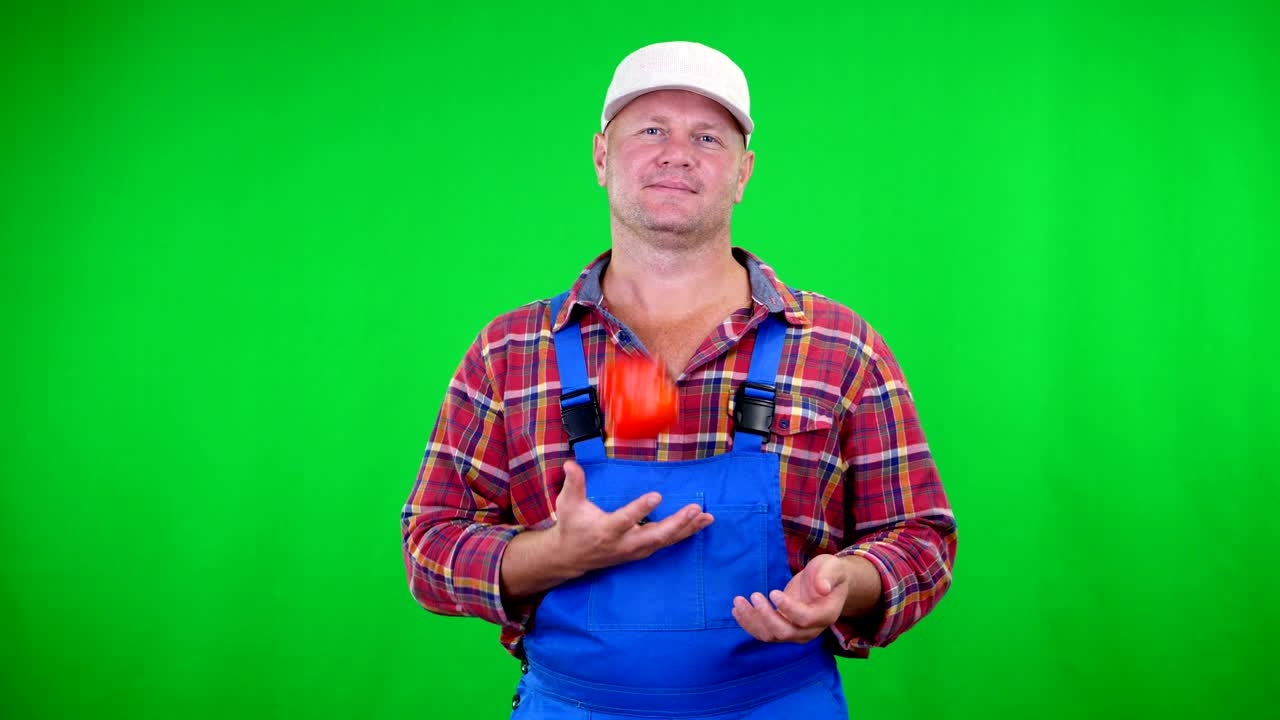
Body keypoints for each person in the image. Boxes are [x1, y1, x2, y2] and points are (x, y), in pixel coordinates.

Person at [401, 40, 957, 719]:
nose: (677, 153)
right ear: (602, 157)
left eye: (707, 137)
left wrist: (852, 579)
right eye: (652, 130)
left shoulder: (841, 347)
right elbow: (430, 544)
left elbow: (921, 537)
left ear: (744, 173)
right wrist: (551, 555)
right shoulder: (510, 352)